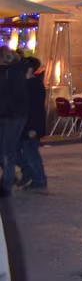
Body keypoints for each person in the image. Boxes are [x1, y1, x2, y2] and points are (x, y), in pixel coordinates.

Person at [17, 57, 46, 192]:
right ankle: (33, 175)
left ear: (29, 69)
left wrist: (33, 128)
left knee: (31, 153)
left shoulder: (34, 85)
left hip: (31, 125)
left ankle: (39, 179)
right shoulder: (27, 84)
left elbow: (36, 109)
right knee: (24, 151)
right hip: (25, 124)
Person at [0, 50, 25, 197]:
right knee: (4, 151)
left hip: (13, 116)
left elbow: (20, 96)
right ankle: (23, 170)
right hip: (5, 114)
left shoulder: (14, 73)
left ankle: (6, 184)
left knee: (7, 151)